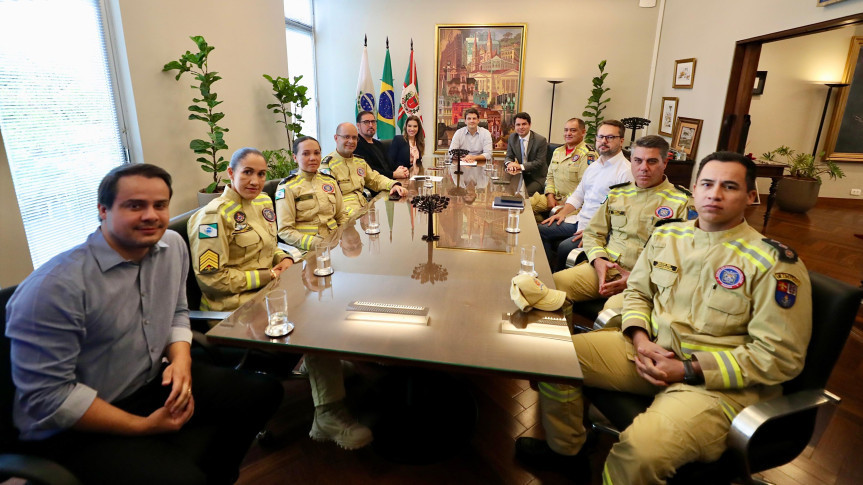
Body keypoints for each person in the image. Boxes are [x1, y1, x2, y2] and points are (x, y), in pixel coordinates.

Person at [516, 152, 812, 484]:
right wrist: (640, 339)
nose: (714, 194)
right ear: (695, 190)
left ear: (751, 197)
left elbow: (780, 357)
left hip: (714, 384)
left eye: (729, 186)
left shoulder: (773, 262)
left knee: (637, 456)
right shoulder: (668, 236)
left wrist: (687, 368)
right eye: (707, 184)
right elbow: (638, 294)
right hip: (649, 351)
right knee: (552, 359)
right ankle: (567, 451)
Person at [5, 164, 283, 485]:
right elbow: (48, 399)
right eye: (135, 205)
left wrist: (181, 360)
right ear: (103, 210)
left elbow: (178, 311)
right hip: (77, 426)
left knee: (263, 393)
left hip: (148, 385)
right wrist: (143, 427)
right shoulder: (54, 288)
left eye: (160, 205)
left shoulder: (172, 248)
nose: (151, 215)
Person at [274, 136, 374, 450]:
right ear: (295, 157)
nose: (313, 158)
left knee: (341, 300)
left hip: (333, 250)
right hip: (304, 253)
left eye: (317, 152)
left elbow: (343, 215)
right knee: (316, 316)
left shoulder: (329, 182)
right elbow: (284, 229)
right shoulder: (287, 188)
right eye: (306, 153)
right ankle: (327, 411)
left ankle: (318, 361)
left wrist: (347, 235)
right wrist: (315, 245)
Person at [552, 135, 694, 320]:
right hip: (606, 268)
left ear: (665, 163)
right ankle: (564, 345)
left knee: (611, 313)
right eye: (638, 160)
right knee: (553, 286)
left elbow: (684, 259)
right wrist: (598, 260)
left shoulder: (682, 202)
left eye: (652, 161)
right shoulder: (618, 193)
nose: (644, 168)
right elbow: (593, 233)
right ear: (631, 161)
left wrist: (639, 279)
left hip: (645, 280)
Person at [188, 147, 302, 312]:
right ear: (231, 172)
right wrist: (267, 275)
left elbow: (267, 246)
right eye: (247, 172)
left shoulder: (262, 201)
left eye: (261, 174)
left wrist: (284, 259)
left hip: (268, 293)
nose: (255, 181)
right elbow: (213, 280)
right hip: (234, 308)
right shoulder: (212, 217)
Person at [539, 120, 633, 271]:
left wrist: (595, 233)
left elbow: (623, 216)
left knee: (565, 247)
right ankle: (544, 271)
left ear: (621, 141)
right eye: (600, 137)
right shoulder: (594, 165)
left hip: (598, 230)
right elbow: (578, 195)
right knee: (541, 230)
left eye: (610, 137)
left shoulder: (626, 172)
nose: (603, 141)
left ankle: (558, 282)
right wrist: (562, 213)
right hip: (579, 220)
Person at [320, 122, 407, 216]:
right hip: (345, 217)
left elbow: (375, 179)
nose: (351, 141)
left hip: (363, 210)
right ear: (336, 138)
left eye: (354, 138)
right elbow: (328, 202)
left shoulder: (359, 161)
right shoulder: (327, 165)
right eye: (346, 137)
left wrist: (393, 185)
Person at [530, 118, 598, 221]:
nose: (568, 133)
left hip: (574, 205)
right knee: (523, 208)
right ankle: (539, 222)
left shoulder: (588, 154)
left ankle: (541, 226)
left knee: (550, 224)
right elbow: (550, 177)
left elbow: (584, 187)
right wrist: (550, 196)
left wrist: (563, 205)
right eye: (566, 130)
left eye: (573, 130)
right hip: (554, 197)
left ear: (583, 132)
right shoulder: (558, 151)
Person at [354, 110, 409, 179]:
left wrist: (401, 169)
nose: (371, 125)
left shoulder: (378, 144)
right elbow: (370, 171)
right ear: (358, 125)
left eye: (373, 122)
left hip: (389, 181)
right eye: (366, 122)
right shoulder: (356, 145)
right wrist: (393, 174)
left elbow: (389, 164)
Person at [504, 112, 549, 196]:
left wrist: (520, 166)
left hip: (536, 177)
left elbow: (539, 162)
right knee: (508, 190)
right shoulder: (512, 138)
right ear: (514, 126)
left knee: (523, 194)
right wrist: (510, 163)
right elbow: (508, 156)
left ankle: (524, 209)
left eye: (524, 124)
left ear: (530, 124)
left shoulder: (540, 140)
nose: (521, 127)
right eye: (518, 124)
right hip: (520, 175)